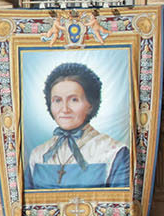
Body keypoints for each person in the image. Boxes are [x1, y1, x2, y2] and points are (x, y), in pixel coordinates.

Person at [26, 61, 130, 189]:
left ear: (90, 105)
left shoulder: (113, 153)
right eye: (57, 100)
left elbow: (120, 206)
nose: (64, 109)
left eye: (74, 99)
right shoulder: (37, 155)